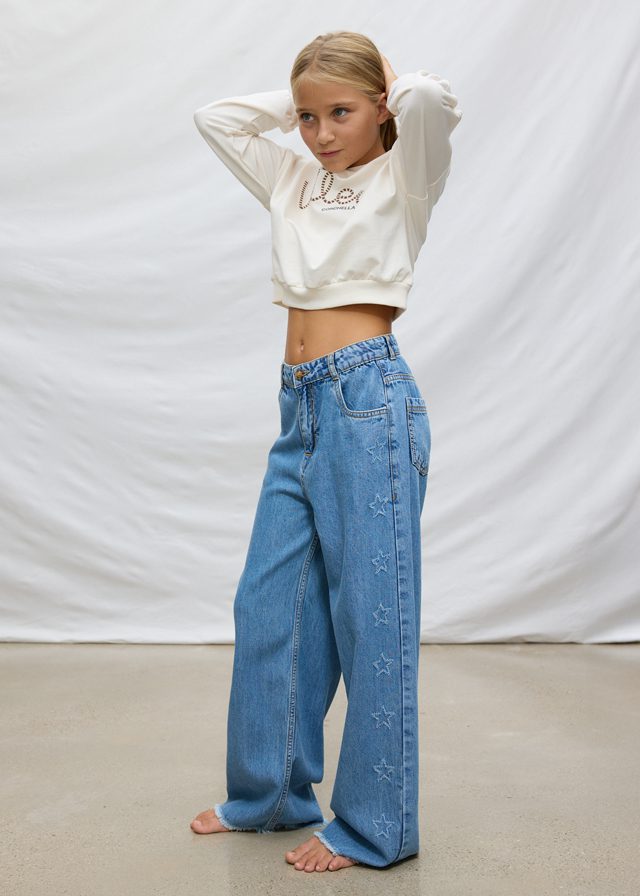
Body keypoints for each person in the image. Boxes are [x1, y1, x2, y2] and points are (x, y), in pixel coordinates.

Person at [189, 30, 462, 872]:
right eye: (307, 118)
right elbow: (216, 119)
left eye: (340, 114)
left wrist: (379, 85)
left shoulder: (405, 174)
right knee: (268, 605)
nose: (320, 133)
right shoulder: (293, 176)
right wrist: (303, 93)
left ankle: (378, 826)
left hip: (368, 402)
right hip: (300, 409)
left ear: (379, 106)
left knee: (372, 618)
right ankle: (270, 795)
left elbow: (430, 99)